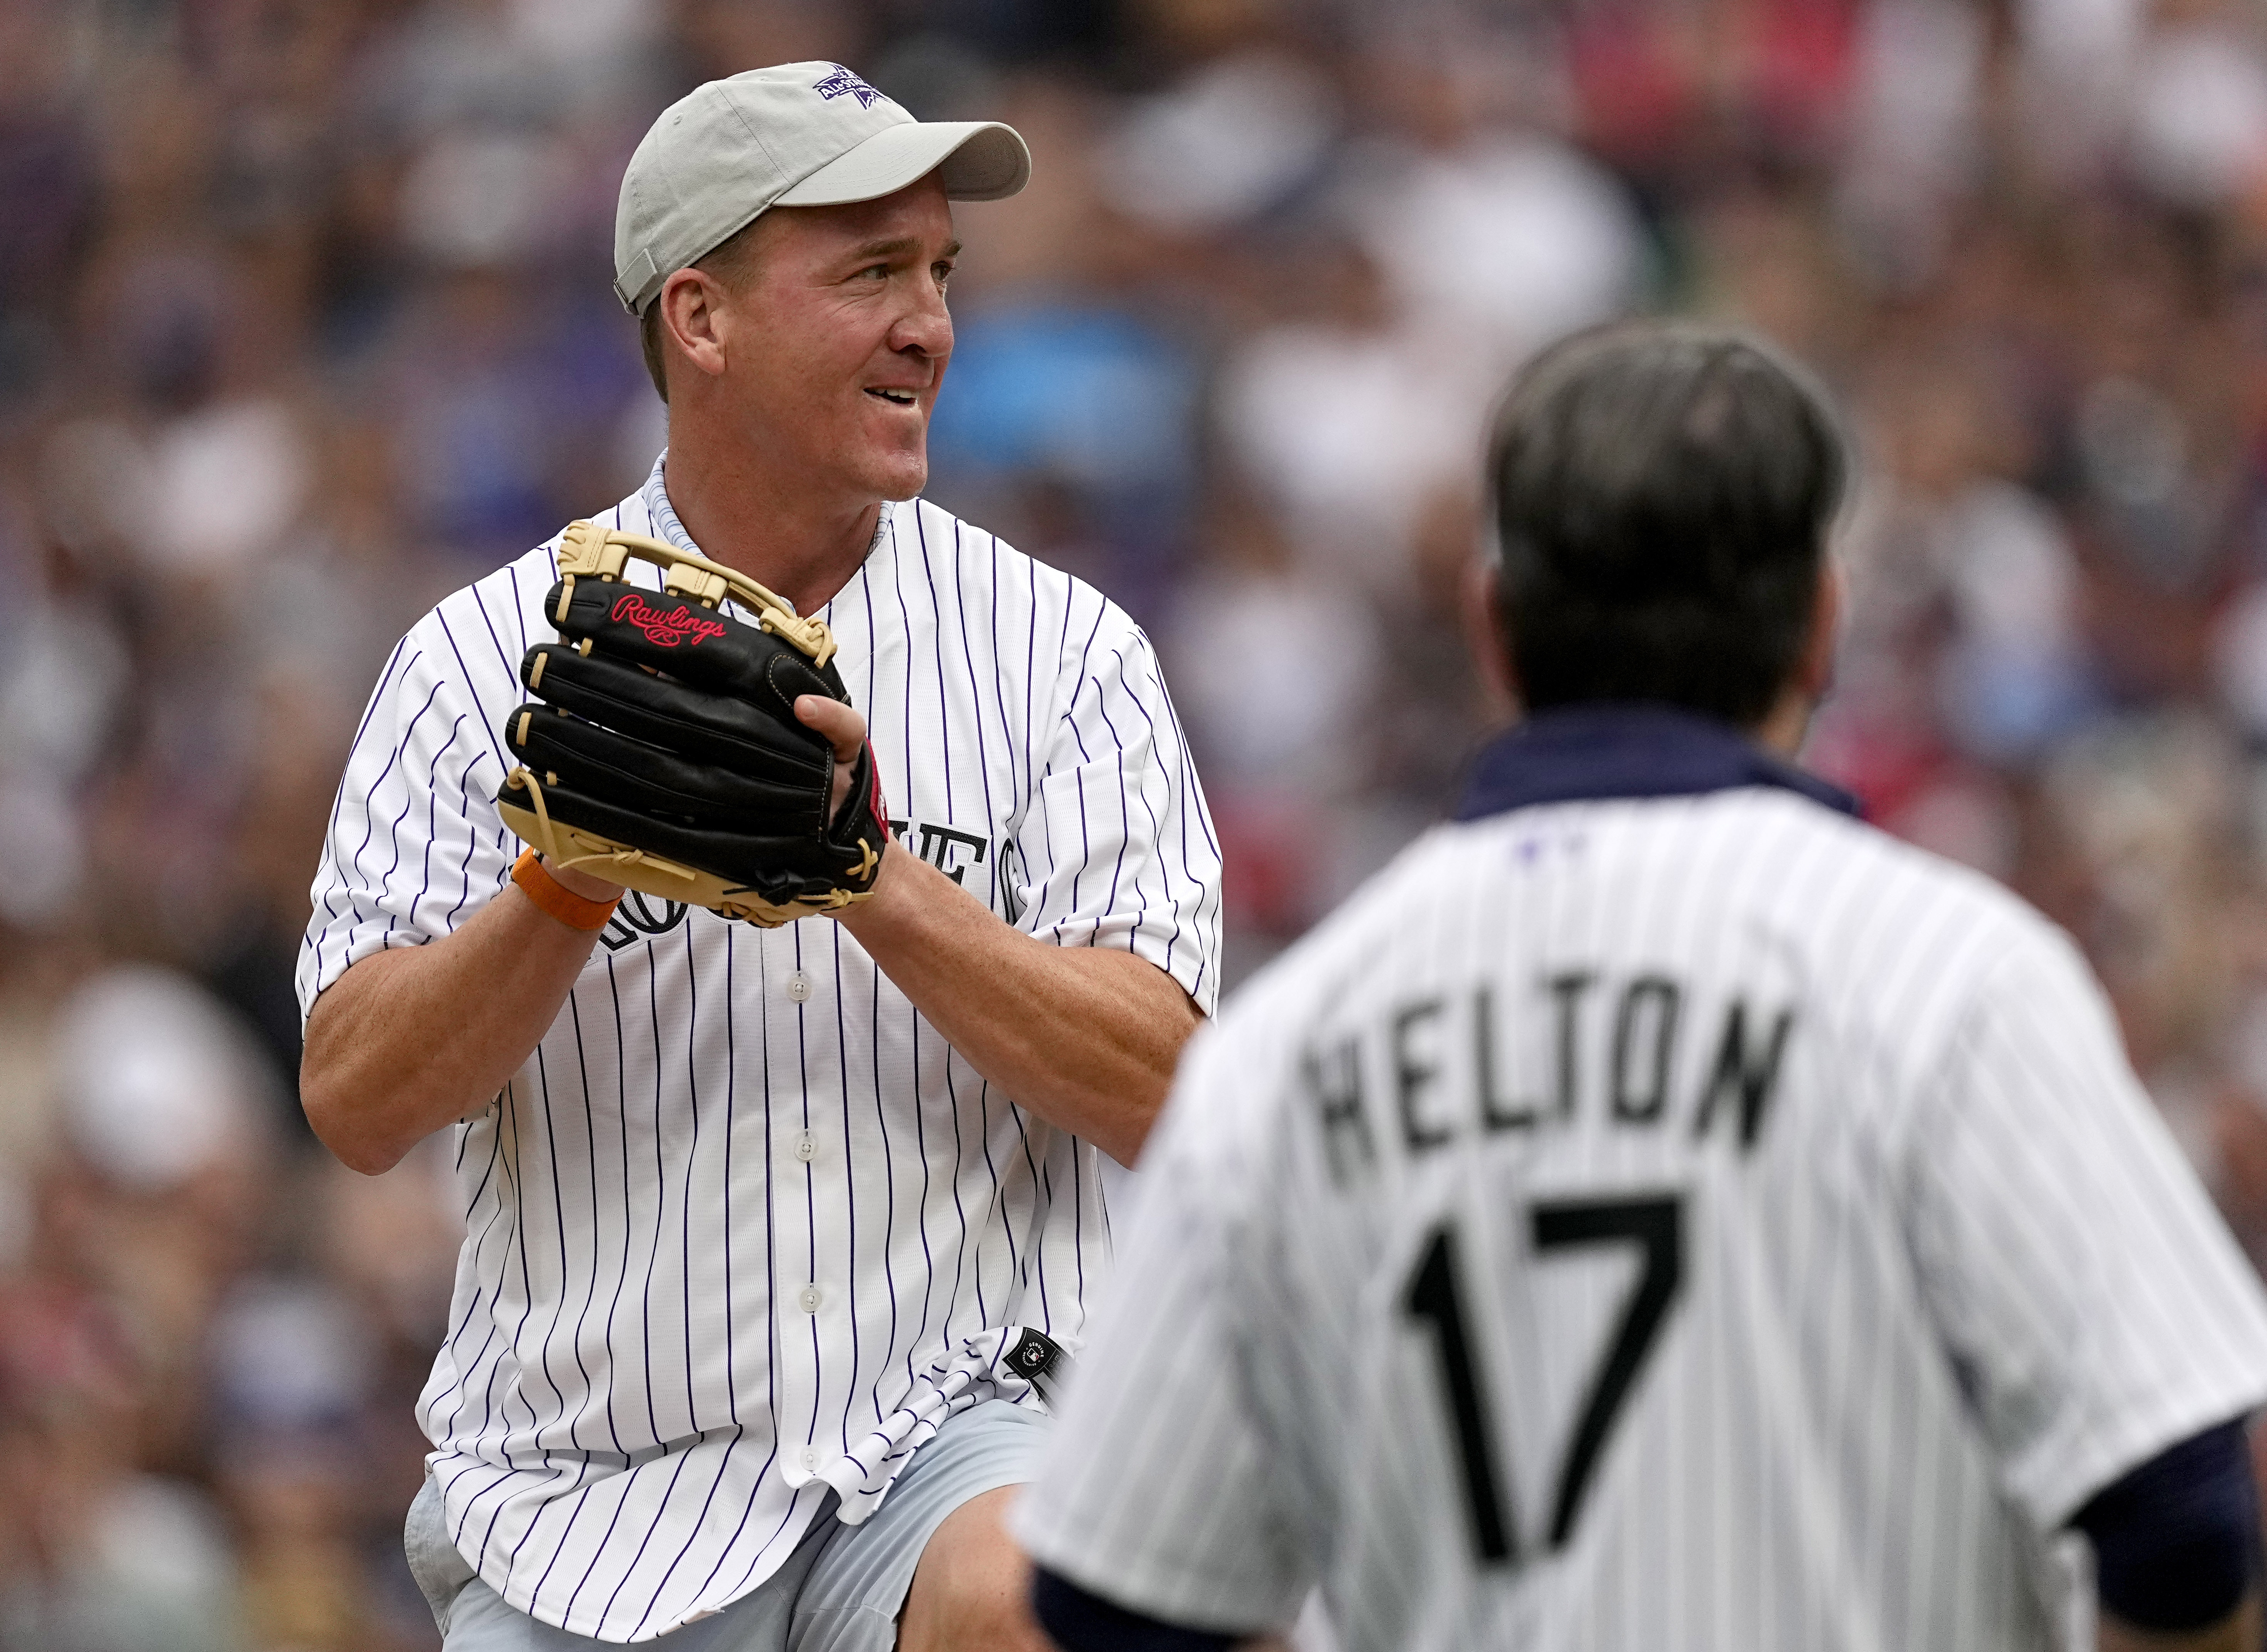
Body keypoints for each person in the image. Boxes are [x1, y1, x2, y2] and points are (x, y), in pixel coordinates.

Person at [1013, 322, 2267, 1652]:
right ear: (1820, 628)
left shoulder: (1282, 1049)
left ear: (1494, 625)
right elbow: (2183, 1525)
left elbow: (1116, 1598)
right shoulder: (1953, 976)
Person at [294, 62, 1221, 1652]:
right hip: (592, 1500)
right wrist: (566, 876)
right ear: (702, 317)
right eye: (868, 271)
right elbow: (356, 1100)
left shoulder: (1062, 652)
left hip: (950, 1439)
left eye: (938, 272)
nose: (927, 322)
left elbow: (1173, 1088)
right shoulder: (482, 661)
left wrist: (871, 879)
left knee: (1041, 1606)